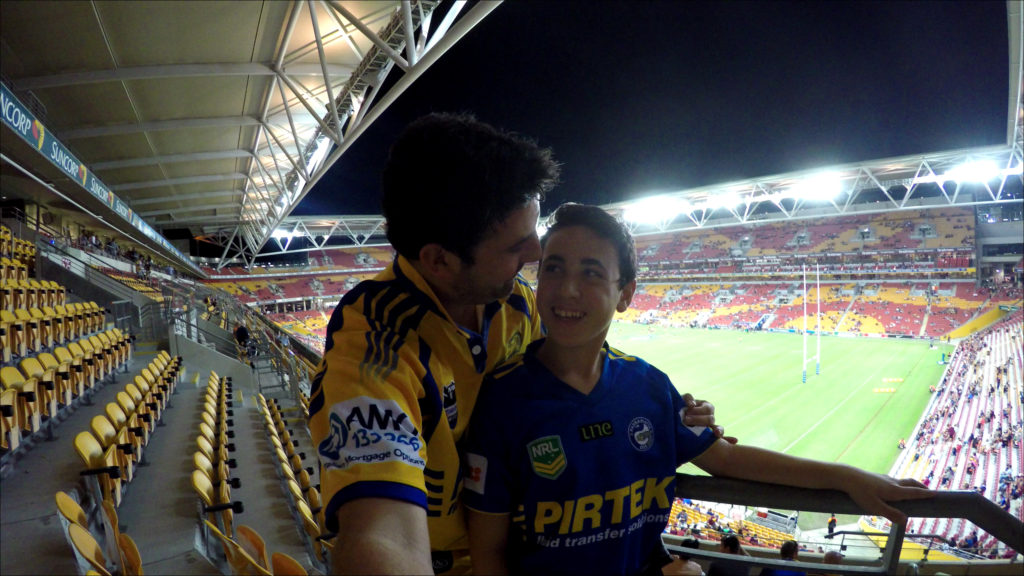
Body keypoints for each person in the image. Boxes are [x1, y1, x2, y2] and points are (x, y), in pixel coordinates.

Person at [307, 114, 725, 574]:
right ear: (440, 260)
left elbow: (578, 378)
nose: (536, 255)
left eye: (534, 235)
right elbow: (381, 535)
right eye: (515, 247)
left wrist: (669, 409)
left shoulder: (515, 303)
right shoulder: (374, 351)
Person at [462, 204, 932, 576]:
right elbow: (489, 555)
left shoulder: (647, 386)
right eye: (553, 269)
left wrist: (845, 476)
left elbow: (727, 459)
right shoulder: (504, 402)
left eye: (590, 273)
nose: (566, 289)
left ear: (625, 294)